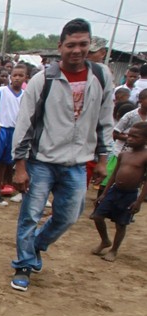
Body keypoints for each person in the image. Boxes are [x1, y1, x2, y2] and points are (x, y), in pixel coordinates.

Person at [10, 18, 114, 292]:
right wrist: (20, 165)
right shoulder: (43, 79)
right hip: (41, 160)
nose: (77, 50)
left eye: (83, 44)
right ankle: (24, 264)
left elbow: (105, 120)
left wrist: (103, 158)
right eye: (71, 45)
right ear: (60, 46)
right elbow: (25, 123)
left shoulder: (100, 77)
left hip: (77, 162)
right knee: (30, 215)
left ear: (89, 45)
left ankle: (36, 245)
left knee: (69, 215)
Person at [90, 121, 147, 262]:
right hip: (114, 190)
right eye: (129, 135)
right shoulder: (123, 154)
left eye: (135, 137)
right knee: (97, 216)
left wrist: (139, 201)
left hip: (130, 194)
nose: (130, 139)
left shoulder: (145, 156)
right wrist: (104, 193)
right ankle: (105, 240)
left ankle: (114, 250)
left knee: (121, 224)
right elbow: (114, 175)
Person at [0, 64, 26, 208]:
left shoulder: (25, 95)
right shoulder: (2, 91)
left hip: (14, 132)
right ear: (10, 77)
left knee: (4, 163)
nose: (17, 78)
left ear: (25, 78)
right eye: (15, 75)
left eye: (20, 75)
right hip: (0, 129)